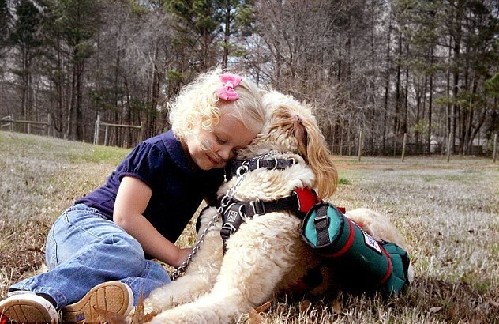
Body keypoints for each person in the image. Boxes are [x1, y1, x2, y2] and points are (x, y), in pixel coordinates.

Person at [0, 69, 266, 323]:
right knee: (126, 250)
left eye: (235, 151)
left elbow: (227, 210)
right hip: (84, 230)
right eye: (220, 139)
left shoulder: (210, 171)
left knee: (160, 280)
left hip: (123, 258)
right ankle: (34, 293)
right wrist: (175, 254)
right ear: (195, 118)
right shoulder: (157, 152)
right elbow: (126, 218)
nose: (224, 154)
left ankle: (80, 309)